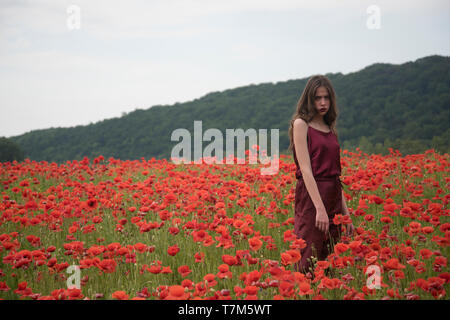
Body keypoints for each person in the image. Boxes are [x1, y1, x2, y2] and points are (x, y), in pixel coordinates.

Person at [288, 75, 354, 274]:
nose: (323, 102)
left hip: (333, 195)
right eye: (318, 98)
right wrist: (320, 209)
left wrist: (346, 214)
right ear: (309, 99)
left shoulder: (329, 128)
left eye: (326, 98)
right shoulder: (301, 124)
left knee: (329, 259)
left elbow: (335, 176)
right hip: (312, 199)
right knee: (308, 255)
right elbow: (306, 169)